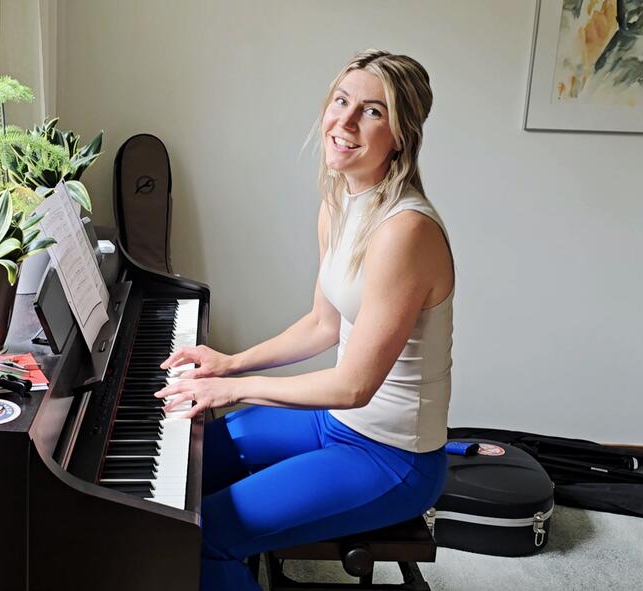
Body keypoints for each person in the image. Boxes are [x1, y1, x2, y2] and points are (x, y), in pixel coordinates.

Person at [153, 49, 456, 590]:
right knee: (190, 457)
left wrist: (233, 388)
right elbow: (322, 324)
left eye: (372, 111)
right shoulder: (339, 204)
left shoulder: (405, 232)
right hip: (333, 423)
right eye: (341, 101)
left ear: (401, 135)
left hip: (392, 457)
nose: (345, 121)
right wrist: (230, 362)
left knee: (201, 537)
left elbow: (354, 387)